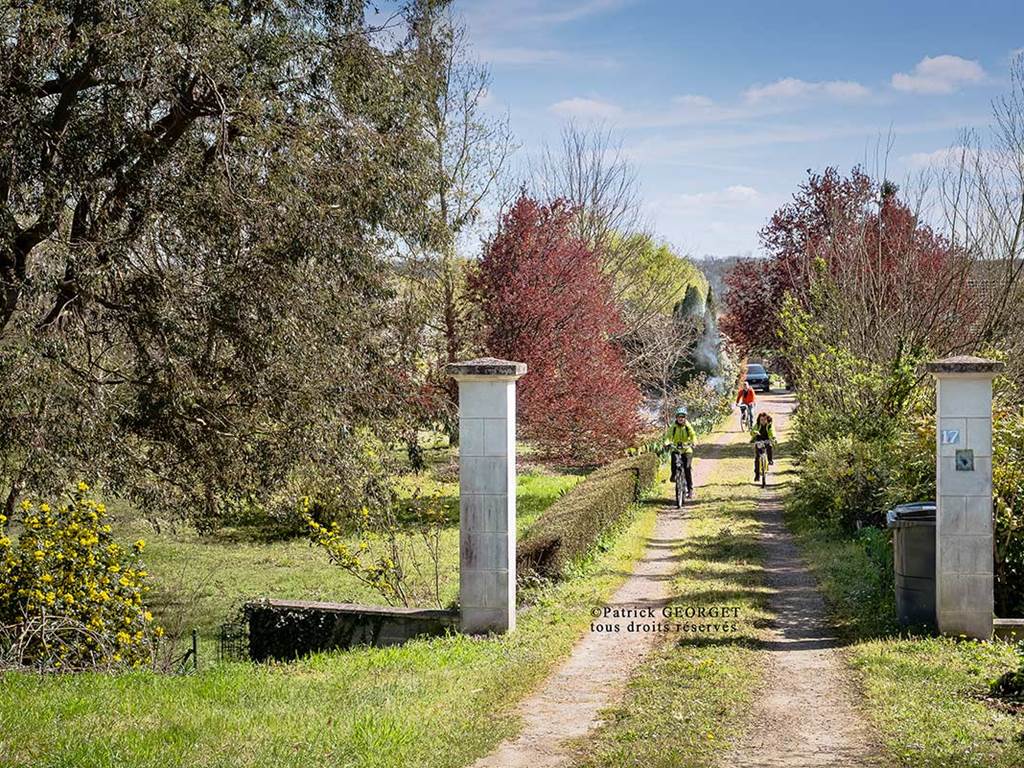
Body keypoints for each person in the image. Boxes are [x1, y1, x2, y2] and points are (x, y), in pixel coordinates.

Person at [664, 406, 697, 500]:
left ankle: (690, 490)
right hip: (676, 449)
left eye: (682, 417)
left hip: (686, 449)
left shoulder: (687, 426)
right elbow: (668, 436)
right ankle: (674, 475)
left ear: (685, 418)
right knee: (674, 462)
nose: (681, 419)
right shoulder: (673, 427)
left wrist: (694, 442)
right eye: (679, 417)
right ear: (676, 418)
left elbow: (693, 435)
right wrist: (666, 443)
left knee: (687, 468)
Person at [750, 412, 776, 482]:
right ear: (759, 420)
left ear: (767, 420)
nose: (763, 421)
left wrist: (773, 437)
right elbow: (752, 431)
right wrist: (755, 432)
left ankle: (770, 460)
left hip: (767, 439)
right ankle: (757, 475)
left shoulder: (769, 425)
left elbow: (772, 432)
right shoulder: (757, 425)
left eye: (764, 420)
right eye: (761, 420)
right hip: (759, 440)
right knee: (757, 458)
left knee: (769, 446)